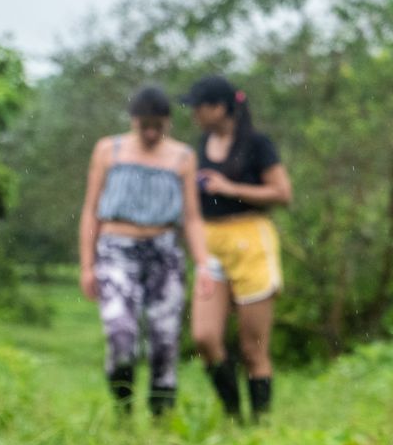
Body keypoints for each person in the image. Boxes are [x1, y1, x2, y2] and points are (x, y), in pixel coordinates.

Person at [78, 85, 214, 416]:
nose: (151, 133)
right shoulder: (109, 150)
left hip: (164, 253)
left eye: (158, 126)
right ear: (134, 121)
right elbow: (90, 210)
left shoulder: (182, 157)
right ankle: (123, 405)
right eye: (145, 125)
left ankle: (160, 416)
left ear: (168, 123)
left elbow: (192, 218)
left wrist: (204, 264)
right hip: (115, 249)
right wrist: (87, 265)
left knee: (164, 340)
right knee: (121, 332)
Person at [182, 75, 292, 422]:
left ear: (219, 108)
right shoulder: (200, 146)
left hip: (251, 241)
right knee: (204, 337)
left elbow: (282, 194)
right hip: (211, 245)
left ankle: (258, 423)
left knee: (252, 347)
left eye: (198, 107)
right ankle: (233, 413)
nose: (193, 115)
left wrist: (230, 188)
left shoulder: (257, 144)